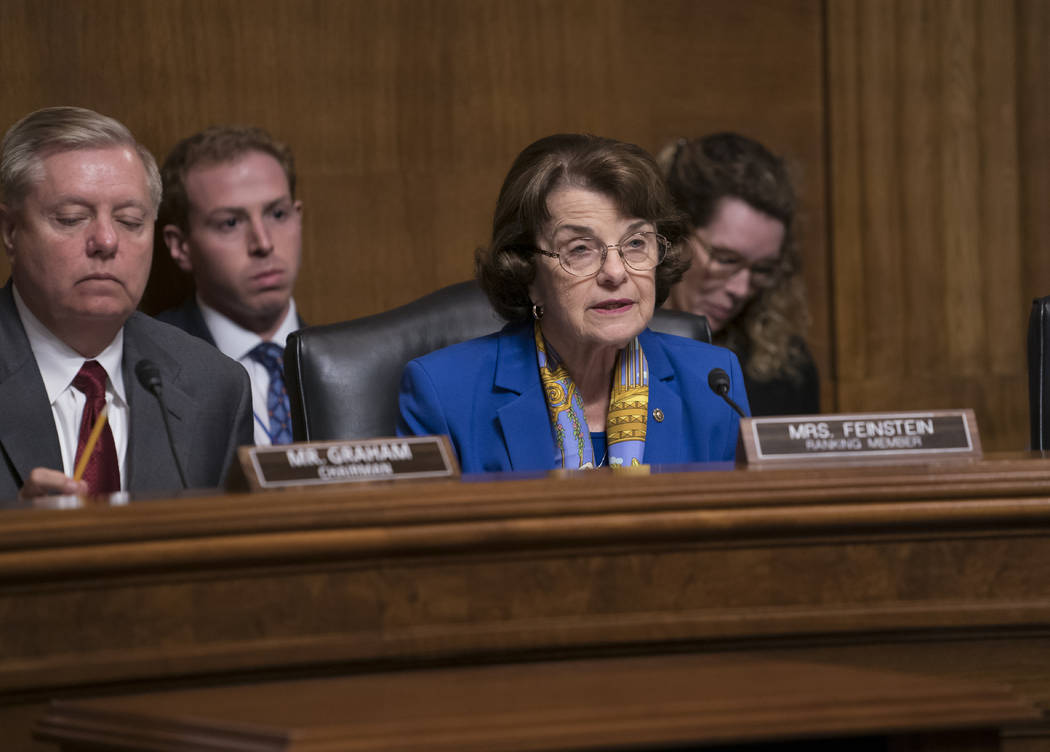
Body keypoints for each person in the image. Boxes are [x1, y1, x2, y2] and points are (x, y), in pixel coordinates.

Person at [397, 133, 748, 473]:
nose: (615, 272)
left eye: (636, 243)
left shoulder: (712, 384)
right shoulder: (444, 393)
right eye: (580, 249)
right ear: (528, 273)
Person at [0, 106, 252, 501]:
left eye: (131, 221)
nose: (106, 241)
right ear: (10, 231)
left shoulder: (215, 386)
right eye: (71, 218)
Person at [156, 126, 304, 445]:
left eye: (277, 214)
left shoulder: (348, 362)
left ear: (298, 217)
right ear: (180, 246)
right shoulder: (147, 371)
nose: (263, 244)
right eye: (231, 223)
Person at [660, 133, 819, 416]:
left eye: (762, 269)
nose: (741, 289)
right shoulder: (608, 349)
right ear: (673, 236)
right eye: (726, 259)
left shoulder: (784, 369)